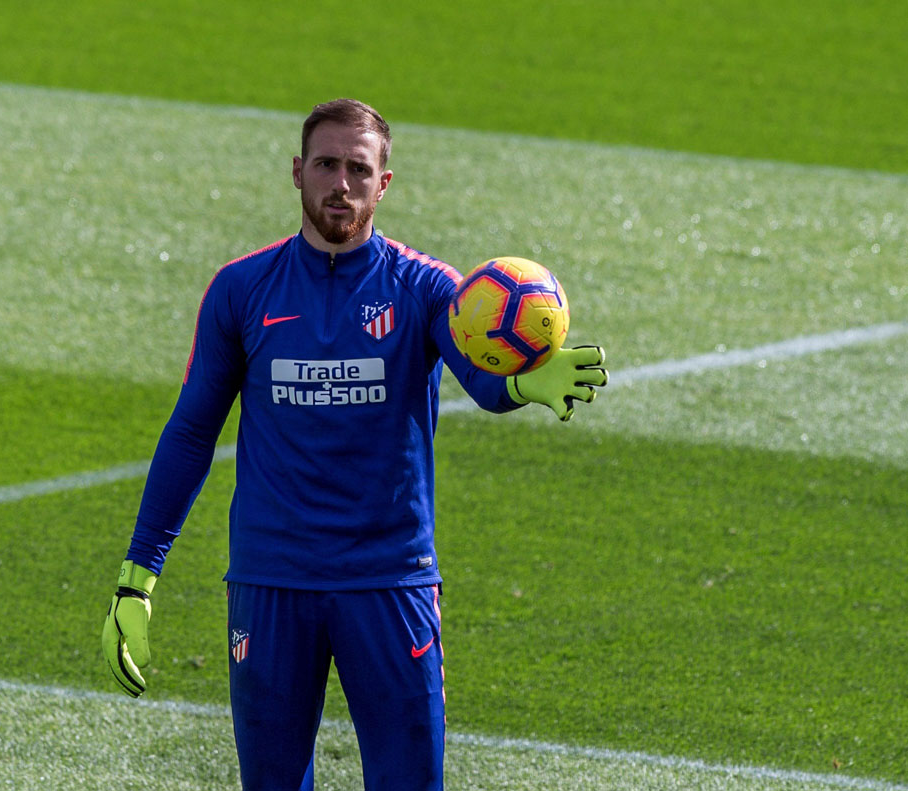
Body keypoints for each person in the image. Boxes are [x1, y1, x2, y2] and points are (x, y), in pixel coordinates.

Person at [102, 98, 608, 790]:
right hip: (272, 580)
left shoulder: (427, 288)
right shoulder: (242, 291)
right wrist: (139, 576)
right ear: (297, 172)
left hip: (389, 580)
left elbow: (483, 382)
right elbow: (192, 432)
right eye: (327, 164)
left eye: (359, 169)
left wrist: (525, 384)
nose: (341, 183)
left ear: (384, 183)